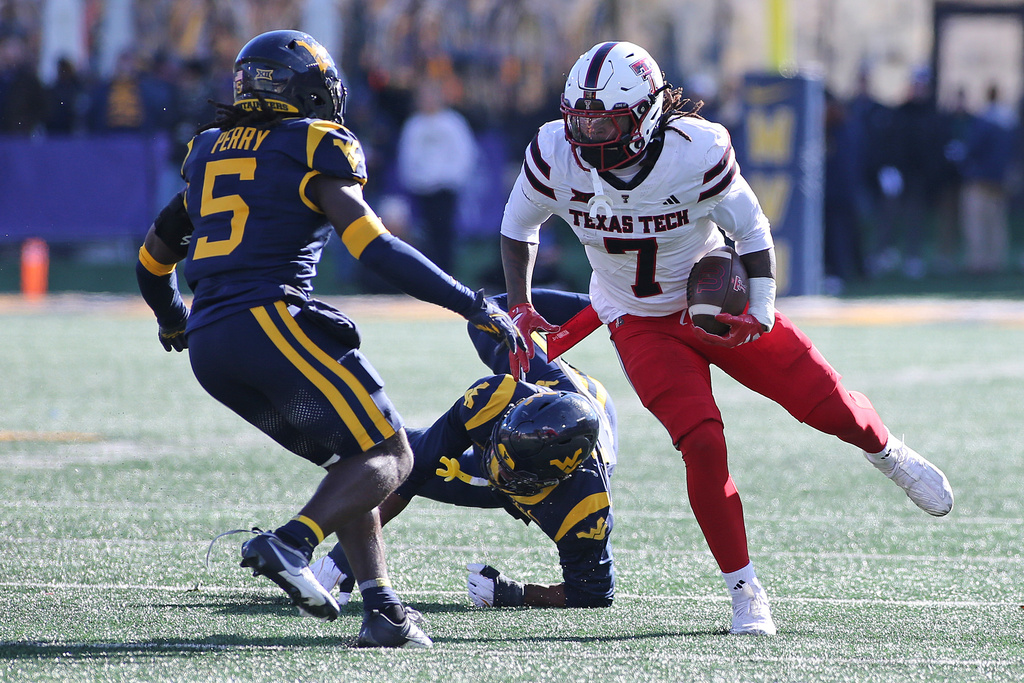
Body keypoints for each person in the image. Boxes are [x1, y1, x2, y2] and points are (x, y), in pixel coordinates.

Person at [499, 41, 955, 636]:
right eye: (578, 121)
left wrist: (761, 308)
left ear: (644, 116)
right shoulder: (554, 152)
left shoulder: (696, 152)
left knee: (828, 404)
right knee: (703, 443)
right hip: (637, 320)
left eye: (603, 122)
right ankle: (745, 590)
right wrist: (520, 302)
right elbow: (518, 223)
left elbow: (751, 226)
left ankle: (886, 452)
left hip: (710, 300)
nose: (586, 137)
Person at [135, 30, 525, 649]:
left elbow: (153, 261)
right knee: (392, 457)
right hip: (269, 319)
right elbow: (377, 249)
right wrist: (469, 302)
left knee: (355, 458)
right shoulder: (311, 149)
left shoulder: (209, 153)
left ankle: (383, 609)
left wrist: (172, 319)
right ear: (304, 91)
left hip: (211, 342)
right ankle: (291, 543)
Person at [309, 290, 617, 609]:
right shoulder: (493, 399)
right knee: (489, 321)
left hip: (589, 423)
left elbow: (592, 594)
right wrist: (608, 304)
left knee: (393, 461)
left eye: (512, 471)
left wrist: (515, 594)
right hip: (557, 390)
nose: (496, 469)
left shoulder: (585, 508)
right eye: (498, 452)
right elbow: (415, 465)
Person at [396, 79, 478, 274]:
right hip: (422, 188)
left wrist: (453, 178)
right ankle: (429, 273)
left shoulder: (453, 122)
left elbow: (464, 153)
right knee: (426, 233)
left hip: (446, 187)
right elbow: (407, 156)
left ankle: (447, 271)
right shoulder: (414, 124)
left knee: (445, 232)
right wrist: (415, 179)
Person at [957, 83, 1019, 275]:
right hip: (1001, 180)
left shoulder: (983, 121)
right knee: (997, 223)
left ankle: (978, 262)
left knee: (976, 222)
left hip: (981, 179)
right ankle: (995, 261)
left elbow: (973, 148)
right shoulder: (1011, 121)